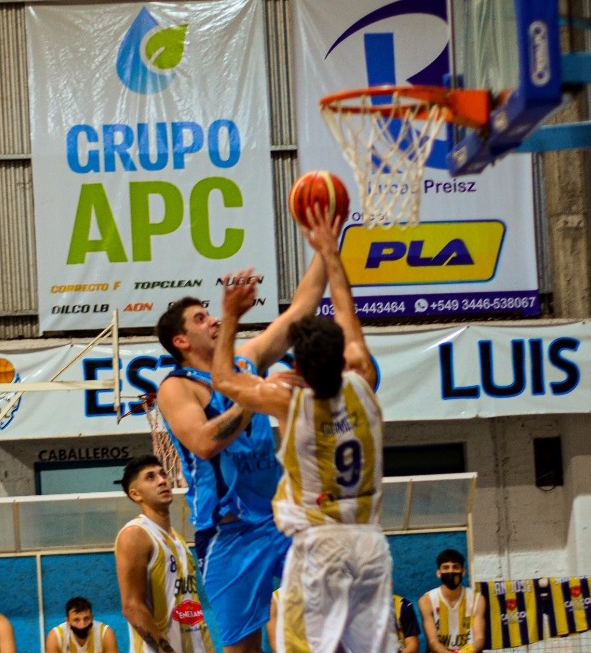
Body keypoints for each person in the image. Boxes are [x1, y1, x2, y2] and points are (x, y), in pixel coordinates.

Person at [211, 204, 392, 653]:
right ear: (343, 354)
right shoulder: (363, 379)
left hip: (320, 548)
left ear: (300, 369)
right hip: (371, 546)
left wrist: (231, 316)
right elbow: (348, 315)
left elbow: (224, 380)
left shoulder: (290, 403)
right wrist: (331, 252)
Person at [155, 257, 326, 653]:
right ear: (181, 341)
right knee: (244, 649)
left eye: (212, 314)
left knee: (333, 611)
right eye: (201, 319)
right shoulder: (177, 387)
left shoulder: (246, 360)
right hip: (230, 534)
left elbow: (301, 310)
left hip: (283, 520)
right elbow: (204, 443)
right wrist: (255, 394)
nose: (214, 320)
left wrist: (324, 247)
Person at [115, 455, 214, 653]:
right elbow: (132, 607)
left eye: (163, 474)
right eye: (150, 477)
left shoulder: (179, 540)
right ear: (135, 494)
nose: (162, 481)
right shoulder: (135, 534)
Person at [418, 549, 486, 653]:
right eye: (446, 567)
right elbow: (433, 642)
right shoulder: (427, 600)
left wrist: (466, 651)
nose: (451, 571)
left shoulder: (477, 599)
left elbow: (479, 640)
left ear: (463, 572)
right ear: (438, 573)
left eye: (455, 567)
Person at [46, 596, 119, 653]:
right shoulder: (56, 636)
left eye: (86, 619)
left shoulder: (105, 633)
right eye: (76, 620)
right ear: (67, 621)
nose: (82, 625)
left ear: (92, 618)